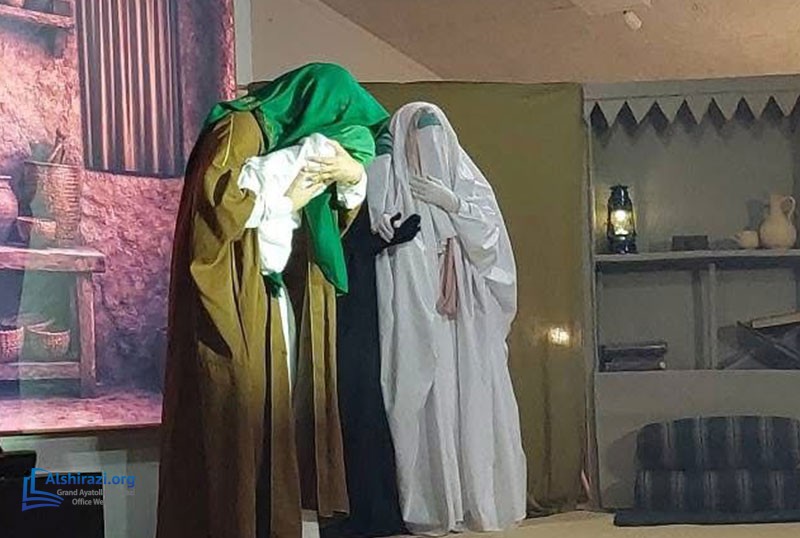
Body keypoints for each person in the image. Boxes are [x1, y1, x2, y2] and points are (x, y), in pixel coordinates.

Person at [156, 63, 389, 538]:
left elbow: (324, 220)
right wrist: (284, 199)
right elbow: (213, 213)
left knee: (273, 424)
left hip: (270, 301)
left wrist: (350, 175)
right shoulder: (239, 129)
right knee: (234, 426)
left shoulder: (289, 137)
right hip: (235, 301)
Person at [368, 102, 526, 535]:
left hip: (468, 319)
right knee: (427, 400)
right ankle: (434, 502)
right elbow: (385, 235)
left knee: (470, 398)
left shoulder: (470, 185)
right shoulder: (390, 183)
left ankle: (476, 498)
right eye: (420, 141)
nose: (431, 152)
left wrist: (454, 204)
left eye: (437, 140)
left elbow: (492, 246)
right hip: (418, 310)